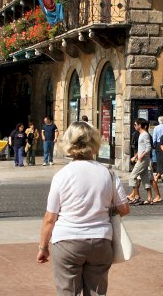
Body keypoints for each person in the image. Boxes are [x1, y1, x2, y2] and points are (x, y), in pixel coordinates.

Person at [36, 121, 130, 295]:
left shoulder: (62, 175)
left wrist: (43, 247)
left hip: (67, 242)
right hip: (101, 240)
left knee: (67, 291)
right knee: (97, 292)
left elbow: (50, 218)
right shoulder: (108, 173)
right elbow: (124, 209)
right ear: (94, 143)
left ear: (69, 143)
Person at [128, 118, 154, 205]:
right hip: (142, 159)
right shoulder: (141, 134)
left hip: (143, 160)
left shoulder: (144, 135)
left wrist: (141, 156)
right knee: (145, 178)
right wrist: (136, 156)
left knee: (132, 176)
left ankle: (136, 197)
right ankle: (149, 198)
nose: (134, 126)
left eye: (135, 124)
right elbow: (142, 148)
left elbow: (148, 147)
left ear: (140, 125)